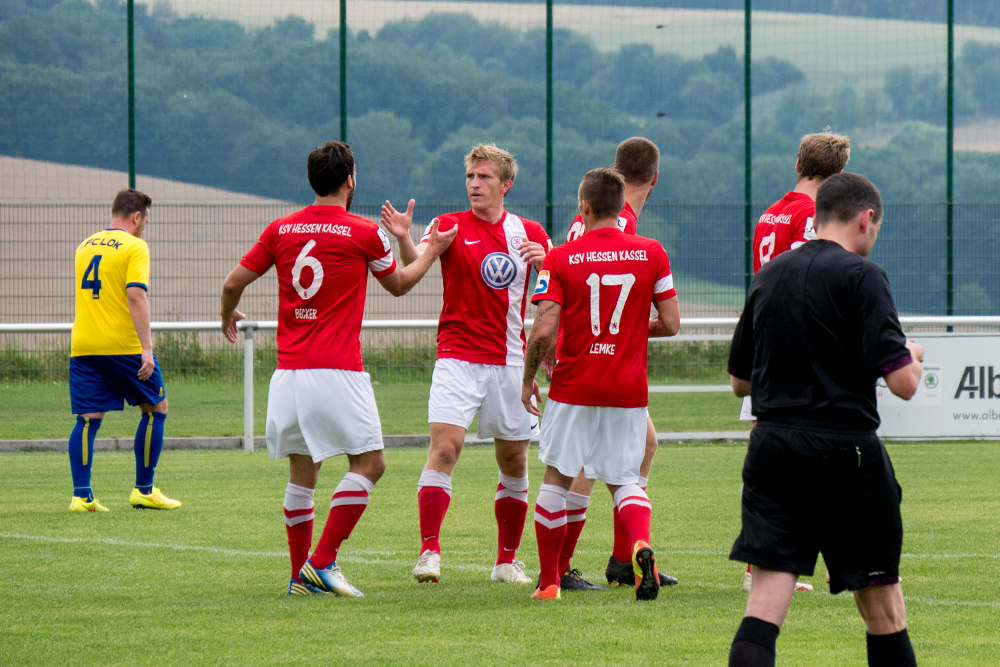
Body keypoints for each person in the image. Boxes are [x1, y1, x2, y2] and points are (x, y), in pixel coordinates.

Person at [220, 141, 456, 597]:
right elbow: (400, 285)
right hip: (337, 371)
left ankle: (298, 578)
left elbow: (233, 283)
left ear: (313, 181)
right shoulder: (363, 233)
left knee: (302, 474)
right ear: (350, 179)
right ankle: (322, 560)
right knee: (371, 463)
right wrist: (432, 248)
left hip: (287, 374)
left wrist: (226, 313)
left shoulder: (280, 229)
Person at [726, 173, 922, 667]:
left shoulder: (769, 275)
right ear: (866, 218)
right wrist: (912, 353)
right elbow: (904, 383)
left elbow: (740, 382)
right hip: (845, 452)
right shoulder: (863, 276)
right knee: (883, 605)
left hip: (773, 447)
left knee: (764, 608)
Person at [380, 144, 550, 585]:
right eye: (471, 176)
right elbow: (412, 265)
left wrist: (548, 262)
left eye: (485, 177)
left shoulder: (529, 233)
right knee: (445, 448)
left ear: (506, 184)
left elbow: (553, 297)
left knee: (514, 460)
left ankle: (506, 561)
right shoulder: (449, 225)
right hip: (458, 357)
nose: (475, 184)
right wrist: (403, 236)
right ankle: (429, 552)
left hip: (512, 360)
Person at [522, 167, 680, 601]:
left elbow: (542, 329)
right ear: (621, 207)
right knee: (626, 479)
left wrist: (527, 380)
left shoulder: (561, 257)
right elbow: (671, 323)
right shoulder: (652, 252)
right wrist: (629, 329)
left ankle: (551, 582)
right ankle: (640, 545)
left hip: (575, 386)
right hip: (627, 389)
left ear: (584, 207)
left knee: (556, 478)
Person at [741, 131, 850, 593]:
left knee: (772, 461)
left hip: (765, 340)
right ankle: (839, 561)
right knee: (826, 454)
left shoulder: (771, 211)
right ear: (839, 176)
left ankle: (759, 566)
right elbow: (812, 276)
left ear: (797, 163)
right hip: (798, 345)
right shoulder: (811, 215)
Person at [67, 188, 180, 513]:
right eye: (145, 220)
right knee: (156, 407)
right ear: (136, 217)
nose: (145, 226)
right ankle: (144, 490)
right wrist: (147, 349)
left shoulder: (84, 246)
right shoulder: (135, 246)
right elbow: (135, 296)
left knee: (88, 418)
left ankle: (81, 496)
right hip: (122, 345)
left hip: (84, 345)